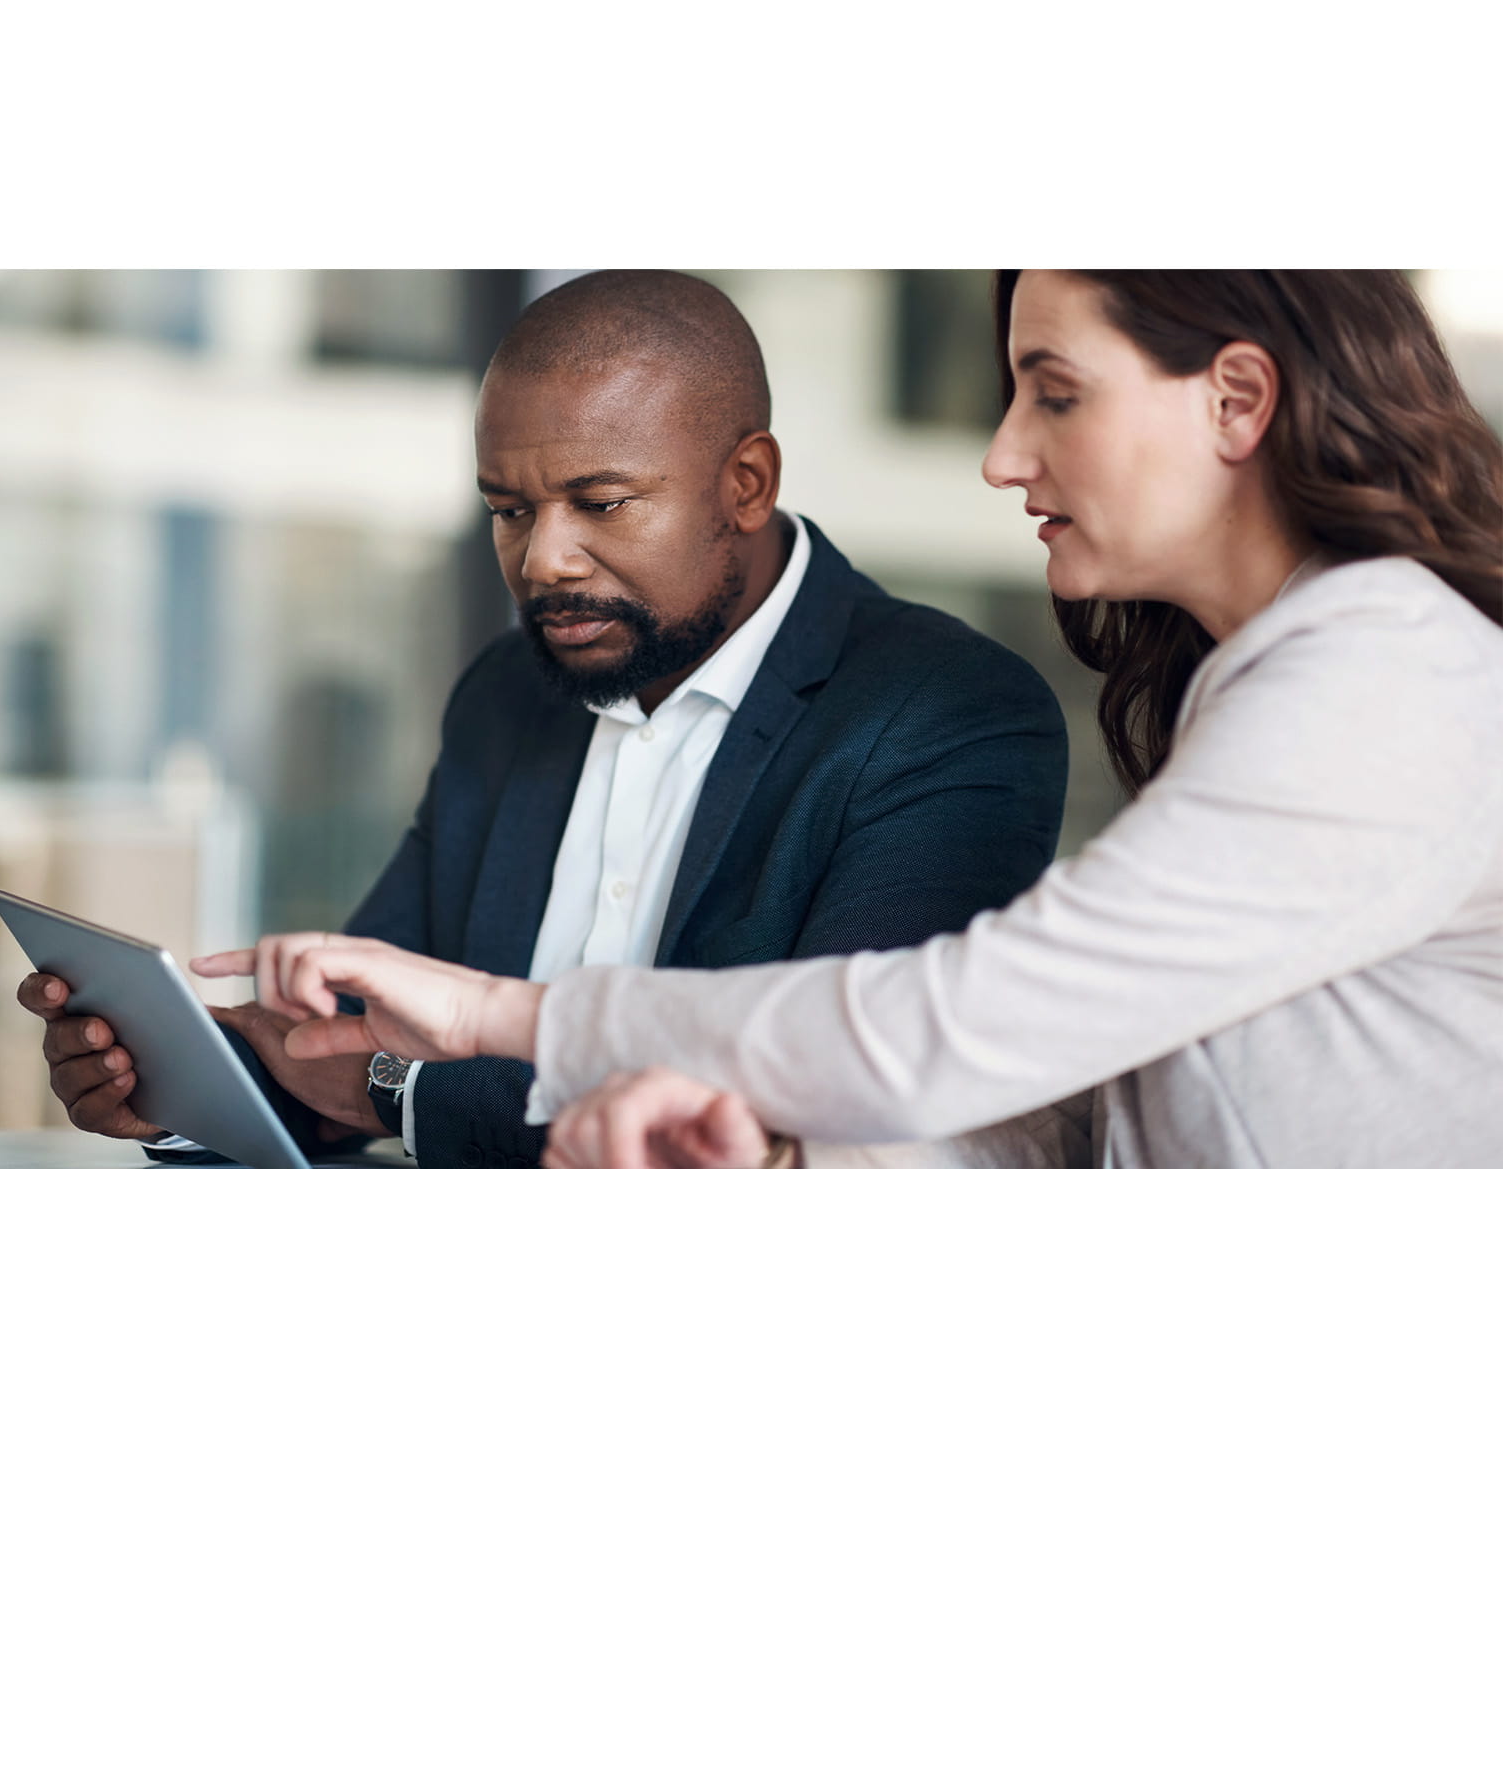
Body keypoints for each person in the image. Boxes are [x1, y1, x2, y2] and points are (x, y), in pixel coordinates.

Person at [202, 270, 1503, 1172]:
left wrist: (500, 1018)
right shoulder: (1270, 684)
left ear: (1236, 399)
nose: (1002, 455)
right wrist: (776, 1159)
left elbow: (942, 1027)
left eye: (1054, 393)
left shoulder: (1387, 681)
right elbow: (1076, 1116)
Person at [18, 269, 1070, 1165]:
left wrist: (398, 1091)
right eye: (509, 511)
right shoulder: (508, 695)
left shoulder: (945, 713)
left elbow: (814, 1109)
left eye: (600, 503)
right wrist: (191, 1076)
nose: (542, 560)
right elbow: (347, 1041)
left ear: (746, 484)